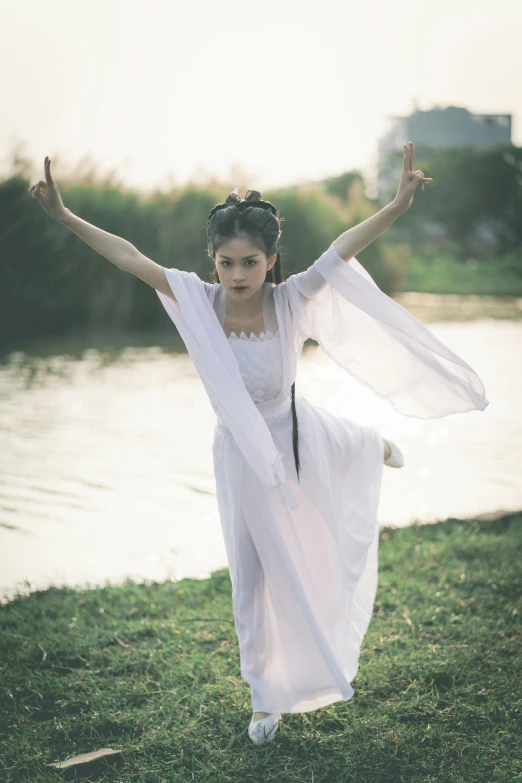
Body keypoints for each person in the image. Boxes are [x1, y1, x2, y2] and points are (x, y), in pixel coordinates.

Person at [29, 144, 488, 746]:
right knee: (251, 575)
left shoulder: (292, 299)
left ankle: (363, 444)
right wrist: (64, 215)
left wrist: (397, 206)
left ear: (271, 260)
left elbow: (344, 247)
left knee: (313, 548)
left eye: (250, 262)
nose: (238, 274)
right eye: (226, 262)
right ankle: (263, 697)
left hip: (292, 434)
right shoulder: (195, 300)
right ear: (211, 261)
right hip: (239, 454)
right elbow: (129, 257)